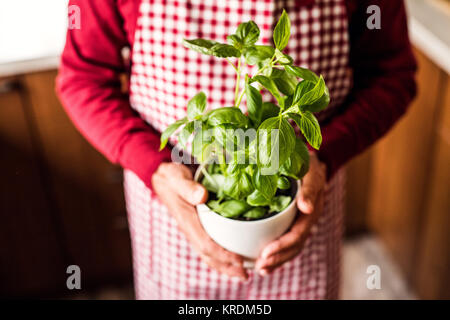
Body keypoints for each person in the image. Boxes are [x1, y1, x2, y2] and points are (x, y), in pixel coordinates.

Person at [57, 0, 416, 299]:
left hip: (304, 210)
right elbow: (82, 79)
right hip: (172, 218)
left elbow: (392, 74)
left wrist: (325, 154)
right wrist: (154, 165)